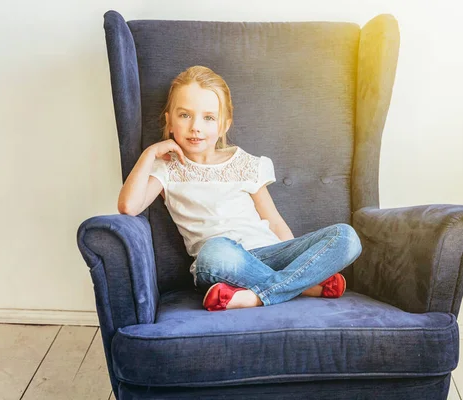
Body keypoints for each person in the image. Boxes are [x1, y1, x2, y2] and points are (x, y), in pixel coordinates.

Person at [117, 65, 362, 312]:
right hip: (222, 261)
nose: (196, 127)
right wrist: (150, 153)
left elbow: (275, 222)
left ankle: (255, 296)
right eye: (184, 115)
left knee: (347, 237)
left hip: (270, 253)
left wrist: (297, 257)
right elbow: (129, 206)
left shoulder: (244, 163)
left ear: (224, 125)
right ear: (169, 121)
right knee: (215, 251)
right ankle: (303, 287)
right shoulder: (167, 168)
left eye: (209, 117)